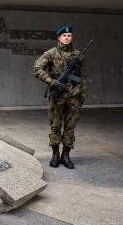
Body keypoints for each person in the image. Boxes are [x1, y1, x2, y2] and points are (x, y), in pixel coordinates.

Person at [33, 25, 86, 169]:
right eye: (64, 36)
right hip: (57, 96)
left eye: (69, 35)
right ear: (59, 38)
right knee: (55, 126)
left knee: (70, 127)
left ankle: (66, 156)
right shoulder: (51, 53)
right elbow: (37, 68)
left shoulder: (77, 54)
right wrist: (51, 81)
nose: (67, 38)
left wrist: (83, 93)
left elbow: (81, 76)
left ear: (72, 37)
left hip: (74, 95)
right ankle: (55, 155)